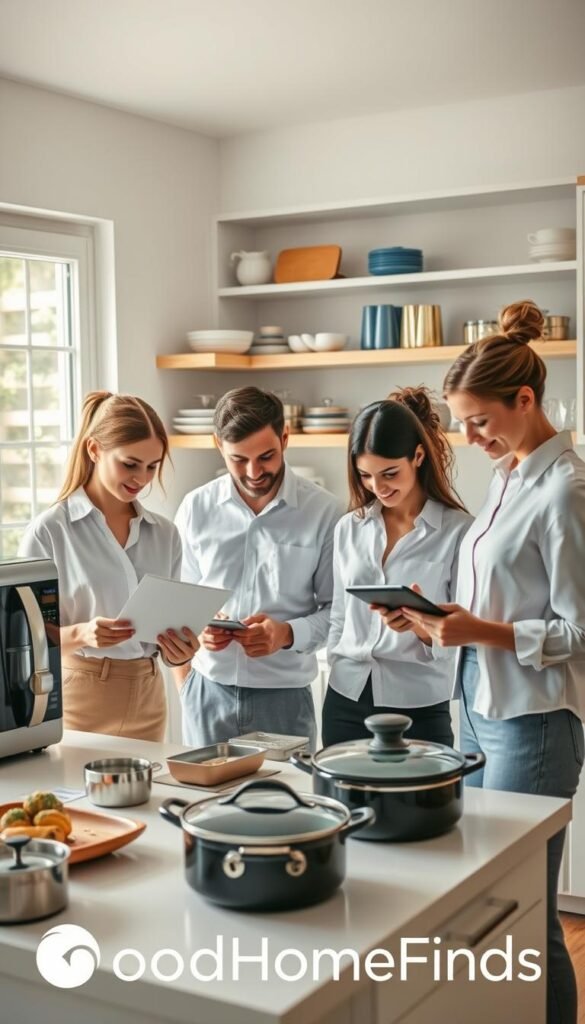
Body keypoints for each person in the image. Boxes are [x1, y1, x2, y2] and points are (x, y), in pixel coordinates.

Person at [399, 301, 585, 1024]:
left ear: (525, 400)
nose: (467, 437)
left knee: (526, 911)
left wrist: (481, 630)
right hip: (475, 706)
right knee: (488, 901)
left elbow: (579, 629)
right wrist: (439, 618)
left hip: (533, 722)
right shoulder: (507, 476)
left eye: (478, 420)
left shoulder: (566, 489)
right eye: (460, 421)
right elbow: (498, 599)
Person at [19, 391, 199, 740]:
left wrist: (179, 652)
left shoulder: (165, 534)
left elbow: (167, 633)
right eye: (130, 464)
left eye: (152, 466)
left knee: (148, 794)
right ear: (94, 450)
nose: (142, 479)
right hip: (78, 694)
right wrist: (83, 634)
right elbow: (25, 638)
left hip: (148, 695)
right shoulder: (51, 531)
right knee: (71, 795)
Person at [173, 386, 341, 750]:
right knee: (207, 805)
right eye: (239, 459)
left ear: (284, 438)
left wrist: (285, 633)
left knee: (288, 805)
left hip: (285, 699)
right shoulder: (195, 508)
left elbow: (338, 614)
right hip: (206, 693)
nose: (253, 472)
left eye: (266, 456)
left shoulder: (324, 512)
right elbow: (179, 601)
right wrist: (197, 635)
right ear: (219, 444)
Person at [323, 387, 471, 747]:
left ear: (418, 456)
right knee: (345, 803)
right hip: (345, 697)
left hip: (418, 705)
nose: (378, 487)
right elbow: (339, 616)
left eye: (390, 473)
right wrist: (333, 663)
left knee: (422, 804)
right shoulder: (349, 527)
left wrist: (421, 627)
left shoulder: (459, 531)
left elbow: (464, 636)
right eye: (366, 476)